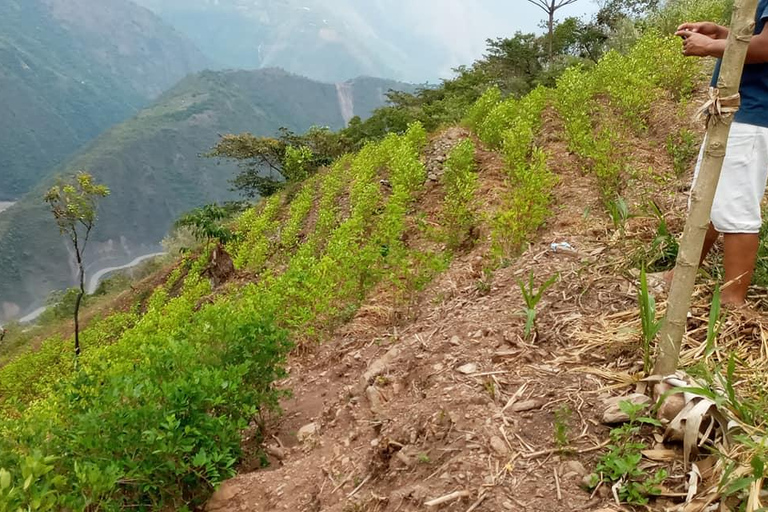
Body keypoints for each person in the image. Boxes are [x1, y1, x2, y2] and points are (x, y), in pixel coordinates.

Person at [672, 0, 768, 306]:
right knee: (710, 196)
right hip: (737, 112)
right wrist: (718, 34)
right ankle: (681, 275)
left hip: (752, 113)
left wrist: (711, 47)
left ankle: (733, 301)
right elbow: (756, 38)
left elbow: (766, 47)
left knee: (737, 206)